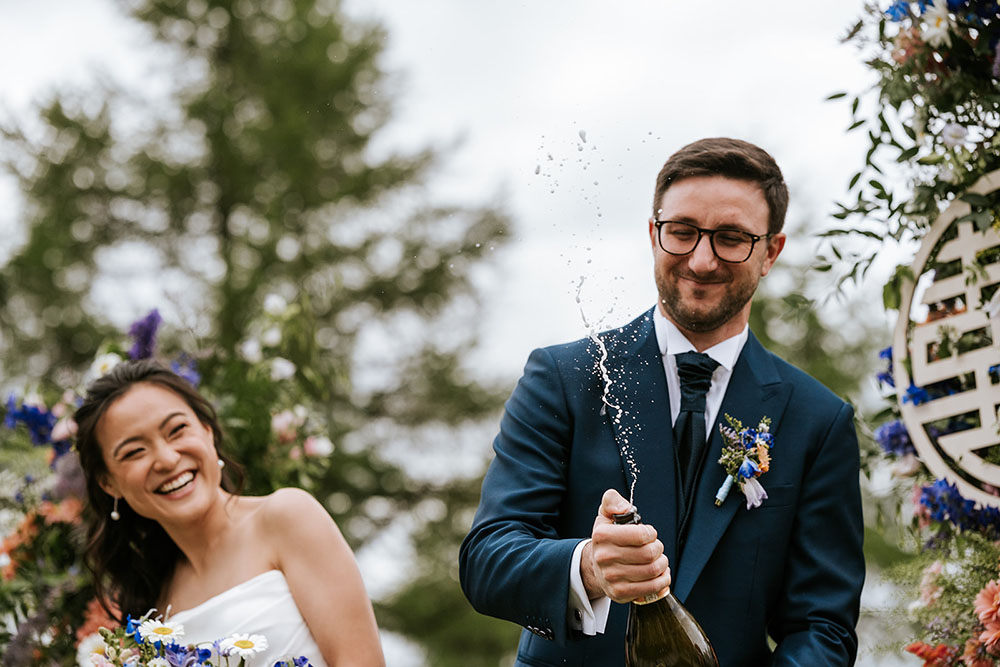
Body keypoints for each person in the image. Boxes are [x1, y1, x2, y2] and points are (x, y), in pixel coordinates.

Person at [460, 137, 865, 666]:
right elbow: (487, 560)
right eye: (682, 232)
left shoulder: (819, 419)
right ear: (654, 234)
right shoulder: (563, 377)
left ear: (771, 252)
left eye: (731, 238)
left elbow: (822, 626)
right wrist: (588, 568)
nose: (701, 260)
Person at [74, 359, 385, 667]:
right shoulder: (152, 601)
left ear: (208, 431)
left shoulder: (286, 517)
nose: (167, 459)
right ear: (108, 483)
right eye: (134, 452)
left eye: (177, 430)